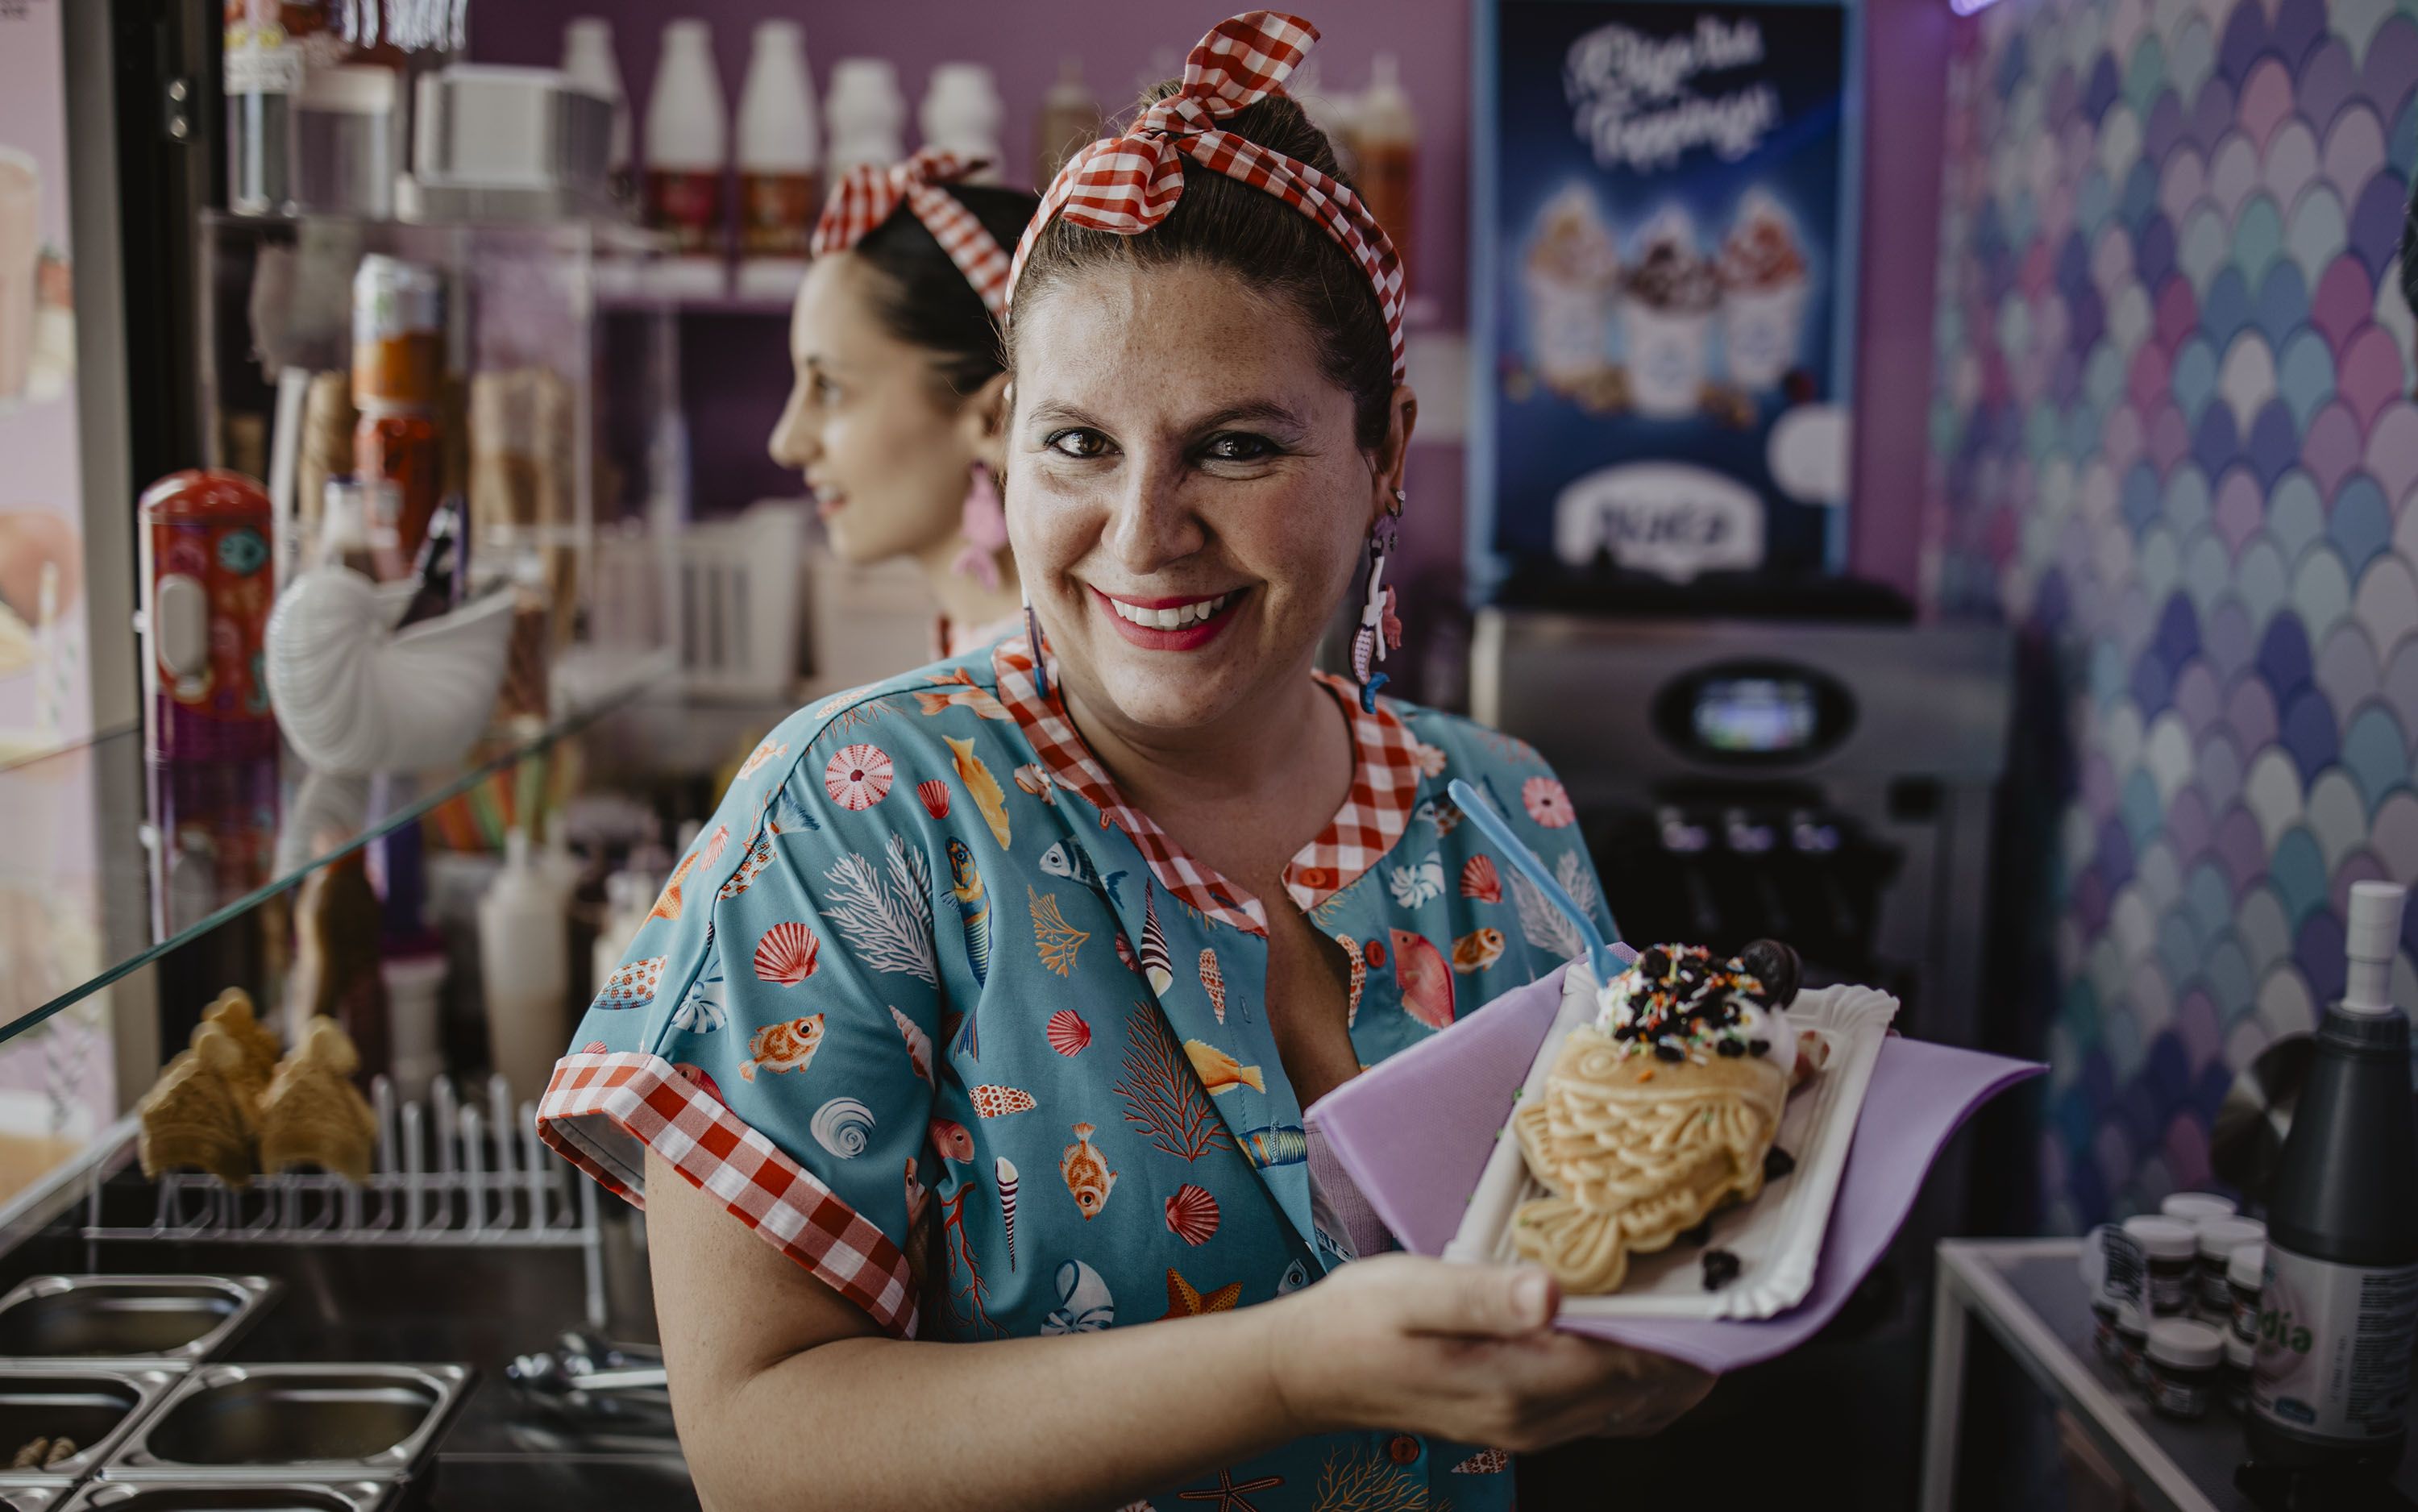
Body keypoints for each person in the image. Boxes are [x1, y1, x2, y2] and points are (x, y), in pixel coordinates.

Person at [542, 15, 1712, 1509]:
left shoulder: (1503, 812)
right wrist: (1290, 1368)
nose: (1146, 535)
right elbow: (757, 1449)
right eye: (1079, 446)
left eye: (1236, 446)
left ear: (1386, 454)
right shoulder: (856, 819)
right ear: (1005, 445)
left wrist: (1654, 1339)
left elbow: (1614, 1274)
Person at [769, 150, 1040, 658]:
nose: (786, 443)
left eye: (829, 388)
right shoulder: (990, 648)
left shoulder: (1046, 683)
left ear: (997, 418)